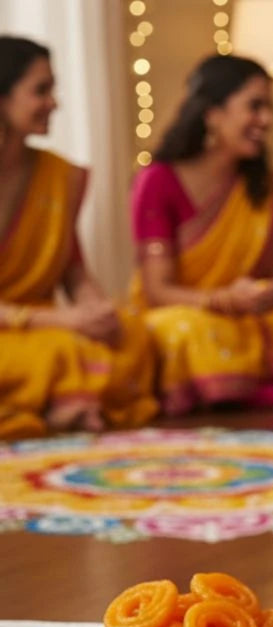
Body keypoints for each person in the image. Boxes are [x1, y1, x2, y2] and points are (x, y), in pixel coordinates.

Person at [130, 55, 273, 415]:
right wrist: (225, 300)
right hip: (190, 313)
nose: (266, 121)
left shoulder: (264, 185)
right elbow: (157, 291)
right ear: (212, 113)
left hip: (249, 316)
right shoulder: (158, 180)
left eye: (269, 109)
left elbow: (264, 273)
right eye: (255, 107)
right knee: (178, 331)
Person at [0, 36, 157, 440]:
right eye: (41, 90)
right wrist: (56, 319)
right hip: (24, 329)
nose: (55, 102)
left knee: (132, 333)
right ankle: (63, 407)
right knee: (54, 351)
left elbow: (72, 270)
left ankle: (62, 407)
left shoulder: (59, 175)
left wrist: (95, 310)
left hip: (42, 325)